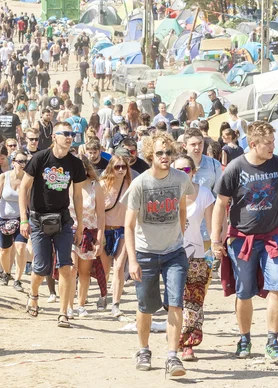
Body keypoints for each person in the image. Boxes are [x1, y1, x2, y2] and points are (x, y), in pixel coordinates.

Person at [211, 121, 278, 362]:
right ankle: (244, 338)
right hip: (241, 239)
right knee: (244, 291)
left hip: (273, 236)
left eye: (273, 142)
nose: (273, 147)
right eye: (268, 143)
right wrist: (215, 239)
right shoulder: (235, 168)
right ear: (253, 144)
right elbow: (221, 203)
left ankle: (273, 341)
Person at [123, 132, 194, 377]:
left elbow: (182, 209)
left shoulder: (181, 179)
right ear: (151, 155)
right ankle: (143, 349)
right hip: (145, 253)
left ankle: (173, 357)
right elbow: (129, 226)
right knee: (145, 307)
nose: (165, 157)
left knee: (175, 303)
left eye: (168, 153)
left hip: (174, 252)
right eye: (160, 153)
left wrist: (180, 236)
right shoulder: (140, 184)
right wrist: (132, 260)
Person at [19, 122, 86, 328]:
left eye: (72, 134)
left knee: (66, 266)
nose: (69, 137)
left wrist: (80, 224)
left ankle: (63, 312)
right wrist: (23, 218)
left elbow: (77, 195)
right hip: (39, 219)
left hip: (63, 219)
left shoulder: (75, 164)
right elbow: (24, 188)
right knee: (41, 267)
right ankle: (34, 294)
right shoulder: (40, 158)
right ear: (54, 137)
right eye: (65, 133)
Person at [173, 155, 215, 362]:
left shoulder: (205, 194)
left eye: (186, 170)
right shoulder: (167, 193)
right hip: (170, 253)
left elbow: (212, 226)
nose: (182, 173)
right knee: (175, 301)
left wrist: (215, 247)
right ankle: (175, 341)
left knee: (195, 301)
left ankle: (188, 344)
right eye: (178, 169)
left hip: (197, 254)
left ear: (194, 171)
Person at [67, 156, 105, 317]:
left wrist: (99, 240)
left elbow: (101, 216)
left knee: (84, 271)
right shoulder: (66, 186)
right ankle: (68, 305)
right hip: (69, 232)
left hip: (89, 233)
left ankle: (81, 304)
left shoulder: (95, 186)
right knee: (70, 269)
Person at [100, 155, 132, 318]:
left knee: (119, 267)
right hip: (105, 230)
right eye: (117, 167)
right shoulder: (102, 185)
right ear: (111, 168)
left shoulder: (130, 186)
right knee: (105, 269)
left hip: (124, 230)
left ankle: (115, 303)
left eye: (123, 167)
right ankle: (103, 295)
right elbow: (98, 212)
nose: (120, 170)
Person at [0, 150, 29, 291]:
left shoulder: (28, 179)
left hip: (21, 218)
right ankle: (6, 273)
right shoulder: (4, 177)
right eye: (20, 161)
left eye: (25, 161)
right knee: (4, 250)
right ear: (13, 162)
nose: (22, 164)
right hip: (2, 218)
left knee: (20, 247)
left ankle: (18, 279)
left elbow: (30, 200)